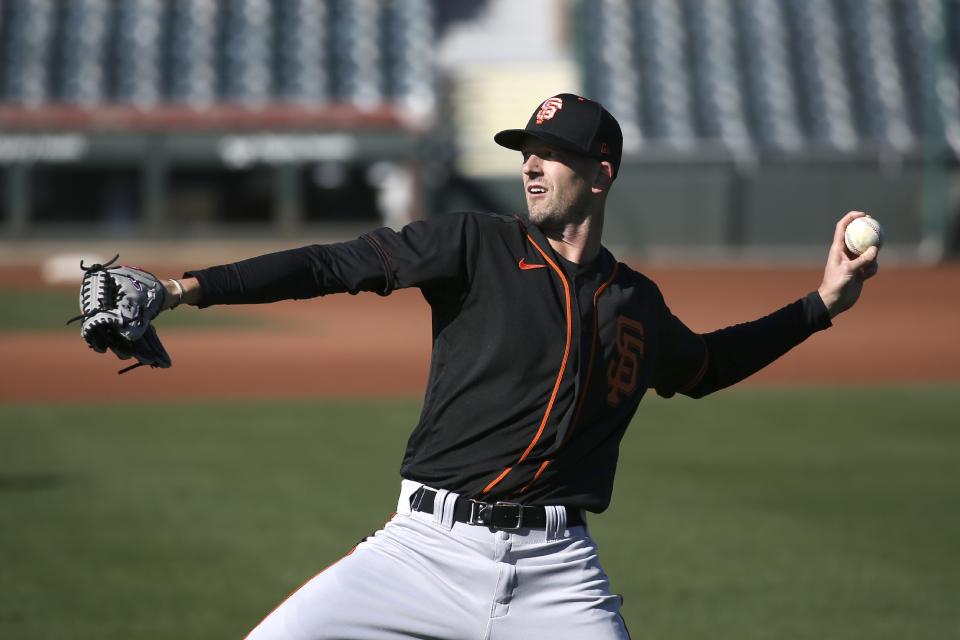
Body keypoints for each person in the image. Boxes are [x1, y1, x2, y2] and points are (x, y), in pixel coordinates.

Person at [156, 94, 878, 639]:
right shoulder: (475, 245)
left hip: (560, 575)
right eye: (525, 150)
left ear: (602, 173)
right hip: (423, 553)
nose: (530, 164)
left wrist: (822, 305)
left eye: (551, 152)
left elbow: (707, 365)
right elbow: (330, 264)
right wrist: (182, 288)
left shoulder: (635, 302)